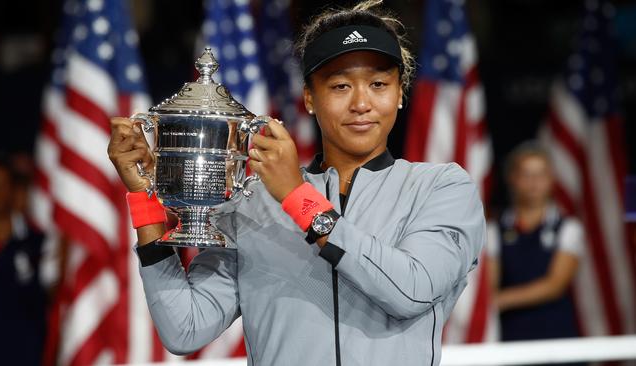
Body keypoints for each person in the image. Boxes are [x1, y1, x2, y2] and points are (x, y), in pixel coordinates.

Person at [107, 1, 485, 365]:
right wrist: (145, 198)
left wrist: (296, 197)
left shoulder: (443, 189)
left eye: (378, 84)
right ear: (309, 98)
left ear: (400, 94)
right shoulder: (252, 205)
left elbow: (410, 292)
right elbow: (185, 329)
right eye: (340, 86)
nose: (361, 103)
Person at [487, 142, 583, 344]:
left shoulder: (568, 228)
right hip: (509, 336)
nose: (534, 183)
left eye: (540, 175)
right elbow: (489, 281)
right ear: (512, 179)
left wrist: (500, 300)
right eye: (526, 174)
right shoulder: (494, 230)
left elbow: (555, 285)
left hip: (557, 338)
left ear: (551, 179)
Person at [0, 155, 47, 365]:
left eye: (2, 185)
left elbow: (50, 298)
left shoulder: (38, 242)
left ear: (13, 188)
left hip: (27, 355)